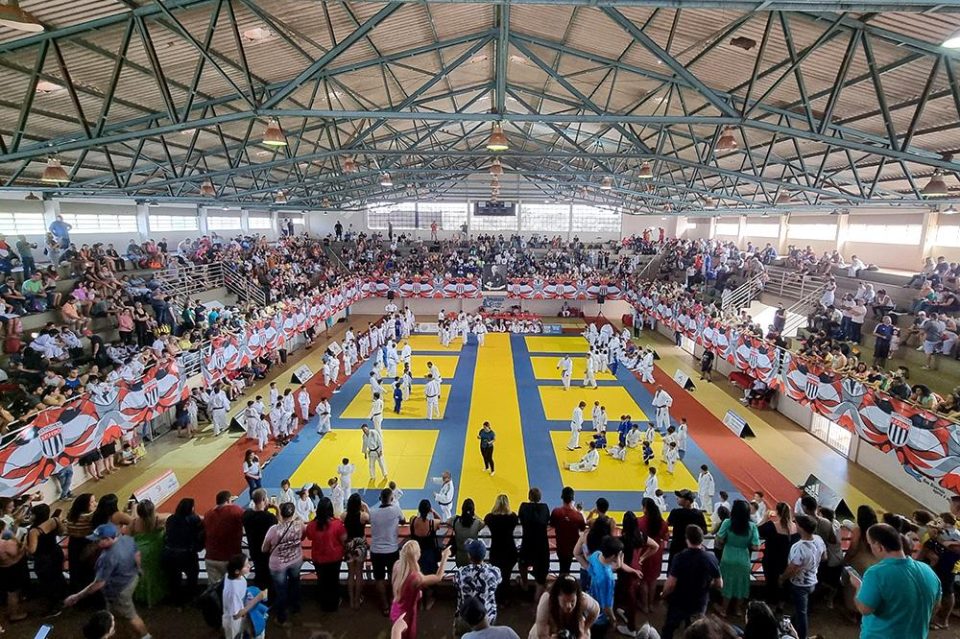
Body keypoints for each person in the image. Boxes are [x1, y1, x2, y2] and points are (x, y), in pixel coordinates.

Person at [850, 523, 941, 639]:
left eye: (870, 544)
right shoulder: (928, 570)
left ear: (879, 546)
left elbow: (864, 609)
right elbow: (936, 606)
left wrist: (858, 586)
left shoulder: (876, 573)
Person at [64, 523, 152, 639]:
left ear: (109, 539)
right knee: (118, 613)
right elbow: (137, 555)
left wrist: (77, 596)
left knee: (130, 616)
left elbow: (99, 583)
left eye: (99, 540)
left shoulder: (107, 557)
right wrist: (138, 569)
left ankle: (145, 636)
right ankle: (126, 633)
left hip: (119, 590)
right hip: (131, 579)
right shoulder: (127, 539)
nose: (96, 542)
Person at [661, 524, 722, 639]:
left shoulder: (679, 558)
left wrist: (664, 594)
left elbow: (671, 584)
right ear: (702, 539)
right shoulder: (710, 558)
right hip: (699, 603)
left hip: (679, 601)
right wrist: (707, 586)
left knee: (669, 629)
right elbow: (719, 584)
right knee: (697, 633)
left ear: (687, 539)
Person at [390, 540, 452, 639]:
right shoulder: (415, 577)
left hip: (396, 608)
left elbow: (401, 587)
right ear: (416, 555)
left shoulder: (397, 565)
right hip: (407, 614)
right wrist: (444, 557)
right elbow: (438, 577)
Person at [780, 514, 825, 639]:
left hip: (800, 584)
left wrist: (782, 578)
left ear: (801, 528)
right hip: (812, 580)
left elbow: (792, 568)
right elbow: (824, 557)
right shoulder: (819, 539)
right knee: (802, 609)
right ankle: (792, 626)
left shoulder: (799, 547)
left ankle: (801, 636)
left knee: (802, 613)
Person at [261, 501, 305, 626]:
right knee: (295, 584)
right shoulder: (300, 525)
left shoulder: (274, 530)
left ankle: (281, 618)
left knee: (281, 590)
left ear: (281, 513)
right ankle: (295, 608)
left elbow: (264, 549)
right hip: (295, 559)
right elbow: (302, 537)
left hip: (279, 564)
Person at [716, 499, 760, 618]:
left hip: (728, 556)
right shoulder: (752, 526)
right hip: (743, 557)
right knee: (742, 584)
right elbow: (756, 546)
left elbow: (720, 538)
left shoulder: (727, 522)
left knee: (727, 583)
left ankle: (724, 609)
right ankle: (738, 609)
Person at [306, 497, 347, 612]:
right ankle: (333, 604)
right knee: (334, 581)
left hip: (318, 558)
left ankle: (324, 604)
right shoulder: (337, 524)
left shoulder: (312, 525)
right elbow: (344, 540)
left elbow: (309, 536)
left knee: (322, 581)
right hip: (334, 558)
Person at [453, 539, 503, 636]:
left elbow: (455, 584)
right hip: (488, 616)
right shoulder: (494, 572)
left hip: (466, 616)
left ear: (469, 556)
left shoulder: (460, 573)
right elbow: (498, 581)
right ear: (484, 555)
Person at [370, 487, 406, 616]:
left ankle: (385, 605)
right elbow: (403, 520)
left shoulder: (372, 512)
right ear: (392, 499)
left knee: (379, 578)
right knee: (394, 577)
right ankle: (393, 601)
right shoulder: (395, 510)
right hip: (392, 550)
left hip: (376, 551)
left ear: (380, 499)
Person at [529, 575, 600, 639]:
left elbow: (596, 610)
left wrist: (585, 628)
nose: (568, 606)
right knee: (535, 633)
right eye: (564, 601)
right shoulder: (547, 600)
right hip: (550, 630)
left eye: (572, 601)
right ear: (557, 597)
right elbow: (542, 634)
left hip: (574, 627)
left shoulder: (583, 599)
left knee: (585, 635)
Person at [27, 503, 67, 614]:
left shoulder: (34, 531)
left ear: (36, 515)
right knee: (58, 575)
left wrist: (23, 545)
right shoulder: (54, 520)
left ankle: (54, 605)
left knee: (47, 582)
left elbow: (32, 550)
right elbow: (62, 532)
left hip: (43, 558)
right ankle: (63, 597)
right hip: (56, 552)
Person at [758, 502, 798, 610]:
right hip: (788, 561)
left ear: (777, 512)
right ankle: (781, 605)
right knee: (785, 584)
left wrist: (765, 518)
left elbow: (757, 531)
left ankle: (771, 606)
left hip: (771, 561)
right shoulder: (796, 527)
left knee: (771, 583)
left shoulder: (771, 526)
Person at [129, 500, 167, 607]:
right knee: (155, 574)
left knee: (141, 575)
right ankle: (155, 596)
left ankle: (142, 597)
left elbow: (127, 537)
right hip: (155, 552)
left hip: (139, 552)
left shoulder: (134, 522)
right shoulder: (159, 520)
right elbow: (170, 516)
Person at [222, 553, 268, 639]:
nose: (249, 566)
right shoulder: (233, 592)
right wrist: (258, 598)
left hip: (238, 616)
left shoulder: (231, 575)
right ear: (237, 571)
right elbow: (236, 615)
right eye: (246, 565)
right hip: (234, 622)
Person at [204, 490, 245, 585]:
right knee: (234, 586)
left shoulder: (208, 513)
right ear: (228, 500)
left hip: (211, 558)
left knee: (214, 588)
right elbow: (248, 518)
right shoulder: (235, 510)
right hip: (230, 558)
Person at [636, 497, 669, 614]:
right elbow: (666, 538)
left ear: (645, 508)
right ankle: (650, 604)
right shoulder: (662, 523)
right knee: (653, 580)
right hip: (657, 553)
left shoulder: (639, 522)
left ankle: (644, 605)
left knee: (644, 580)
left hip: (643, 552)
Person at [484, 495, 519, 603]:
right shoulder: (513, 517)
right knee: (506, 576)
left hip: (496, 551)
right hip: (510, 551)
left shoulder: (490, 518)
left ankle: (498, 599)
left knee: (496, 577)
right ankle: (506, 599)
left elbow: (485, 520)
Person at [518, 487, 551, 601]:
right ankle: (537, 603)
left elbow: (521, 517)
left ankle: (525, 585)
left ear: (529, 497)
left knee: (522, 565)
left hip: (527, 543)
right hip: (542, 545)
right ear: (540, 497)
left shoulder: (523, 507)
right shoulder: (545, 508)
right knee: (541, 578)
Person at [241, 489, 277, 592]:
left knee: (259, 574)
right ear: (264, 500)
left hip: (254, 550)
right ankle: (269, 597)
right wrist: (277, 508)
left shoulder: (247, 515)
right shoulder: (269, 518)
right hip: (268, 552)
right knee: (270, 578)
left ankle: (259, 595)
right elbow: (279, 526)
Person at [341, 493, 370, 610]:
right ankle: (357, 600)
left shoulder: (344, 515)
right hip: (360, 545)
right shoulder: (363, 516)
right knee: (359, 573)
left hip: (349, 544)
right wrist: (365, 505)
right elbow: (370, 517)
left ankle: (351, 600)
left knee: (350, 573)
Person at [550, 487, 586, 577]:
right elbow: (582, 528)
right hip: (573, 548)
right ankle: (565, 582)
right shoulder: (578, 516)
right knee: (566, 569)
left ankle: (563, 582)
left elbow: (552, 524)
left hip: (561, 547)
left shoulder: (556, 512)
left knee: (563, 569)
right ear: (573, 499)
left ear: (562, 497)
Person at [667, 489, 707, 566]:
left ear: (687, 501)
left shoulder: (675, 513)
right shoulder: (698, 514)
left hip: (677, 548)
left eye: (680, 497)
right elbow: (704, 531)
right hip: (693, 548)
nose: (677, 498)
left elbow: (666, 524)